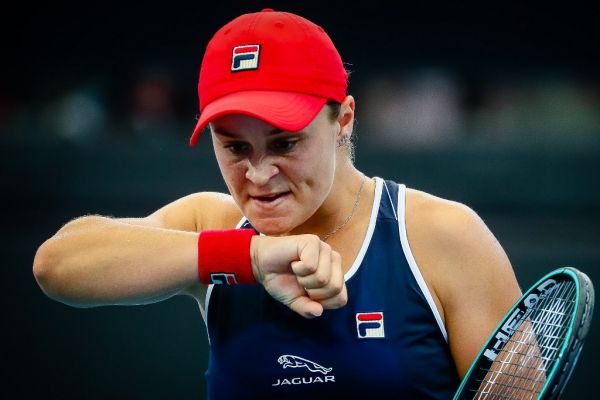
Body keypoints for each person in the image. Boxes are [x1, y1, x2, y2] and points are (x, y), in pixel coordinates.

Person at [33, 8, 522, 399]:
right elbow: (57, 266)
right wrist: (245, 256)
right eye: (235, 147)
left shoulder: (443, 235)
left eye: (285, 143)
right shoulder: (214, 221)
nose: (259, 175)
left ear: (344, 119)